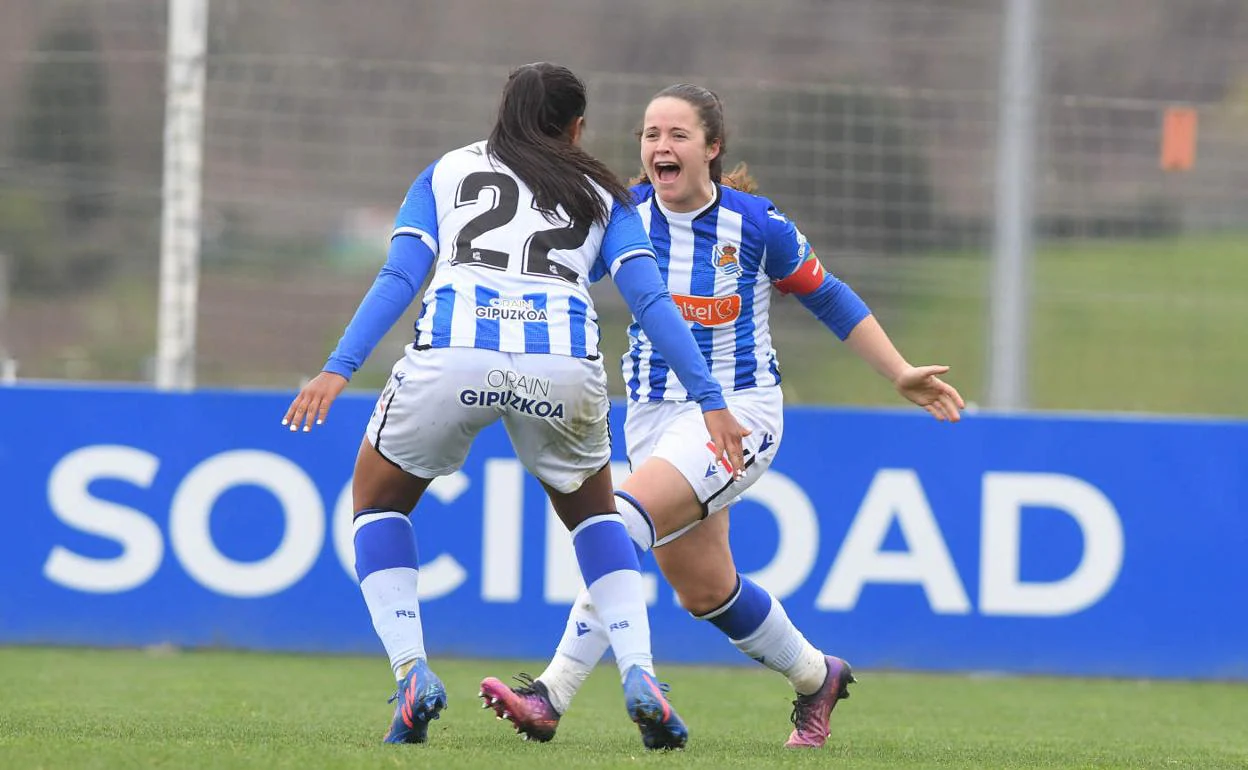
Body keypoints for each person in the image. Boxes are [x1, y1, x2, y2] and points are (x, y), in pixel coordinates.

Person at [479, 83, 965, 749]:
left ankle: (551, 696)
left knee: (618, 524)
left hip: (736, 416)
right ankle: (815, 676)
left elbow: (832, 298)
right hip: (651, 419)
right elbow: (548, 278)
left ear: (712, 148)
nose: (660, 147)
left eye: (677, 135)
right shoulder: (622, 218)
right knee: (705, 590)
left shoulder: (756, 224)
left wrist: (900, 370)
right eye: (651, 134)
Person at [282, 66, 749, 750]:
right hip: (561, 362)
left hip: (454, 353)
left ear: (504, 113)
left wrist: (337, 367)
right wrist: (711, 400)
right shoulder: (604, 193)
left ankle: (413, 672)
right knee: (596, 520)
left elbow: (401, 274)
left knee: (377, 506)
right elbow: (650, 301)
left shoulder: (448, 171)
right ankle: (641, 675)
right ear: (576, 127)